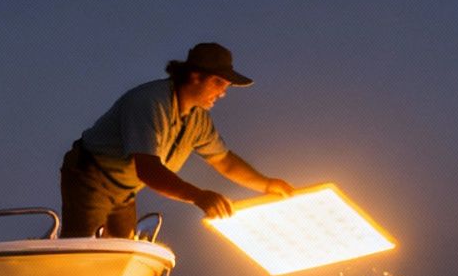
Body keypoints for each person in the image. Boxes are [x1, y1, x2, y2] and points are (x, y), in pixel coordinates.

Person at [60, 42, 295, 239]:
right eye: (218, 82)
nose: (223, 92)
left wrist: (266, 184)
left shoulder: (197, 118)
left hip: (125, 191)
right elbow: (148, 170)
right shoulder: (150, 102)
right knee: (84, 249)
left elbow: (224, 160)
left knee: (125, 250)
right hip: (90, 176)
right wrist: (199, 196)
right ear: (195, 76)